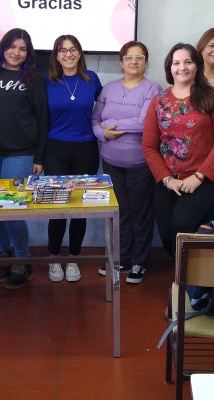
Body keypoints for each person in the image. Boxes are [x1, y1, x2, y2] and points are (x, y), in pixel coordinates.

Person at [141, 43, 214, 257]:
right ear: (170, 68)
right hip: (167, 180)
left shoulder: (213, 98)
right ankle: (187, 279)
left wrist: (198, 177)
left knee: (181, 225)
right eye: (176, 63)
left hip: (206, 179)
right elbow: (149, 146)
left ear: (197, 66)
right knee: (165, 234)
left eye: (188, 62)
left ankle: (195, 284)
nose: (182, 67)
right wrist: (166, 179)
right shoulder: (159, 101)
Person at [0, 28, 47, 290]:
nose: (16, 53)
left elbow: (43, 120)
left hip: (20, 153)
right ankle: (3, 253)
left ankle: (22, 260)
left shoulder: (33, 80)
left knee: (13, 208)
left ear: (28, 54)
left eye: (22, 49)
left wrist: (39, 156)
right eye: (12, 47)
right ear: (3, 47)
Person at [92, 41, 161, 283]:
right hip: (110, 162)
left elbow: (144, 123)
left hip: (141, 163)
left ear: (146, 62)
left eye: (139, 57)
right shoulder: (108, 88)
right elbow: (95, 119)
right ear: (121, 62)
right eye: (129, 58)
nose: (134, 62)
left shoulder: (153, 89)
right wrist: (102, 132)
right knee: (119, 212)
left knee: (140, 213)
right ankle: (121, 259)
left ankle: (139, 263)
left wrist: (109, 124)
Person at [44, 35, 103, 283]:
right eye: (63, 50)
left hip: (86, 150)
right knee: (57, 208)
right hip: (55, 149)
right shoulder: (46, 81)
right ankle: (54, 257)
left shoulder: (92, 79)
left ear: (80, 53)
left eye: (73, 49)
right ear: (56, 55)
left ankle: (73, 258)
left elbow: (103, 109)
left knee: (80, 208)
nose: (68, 54)